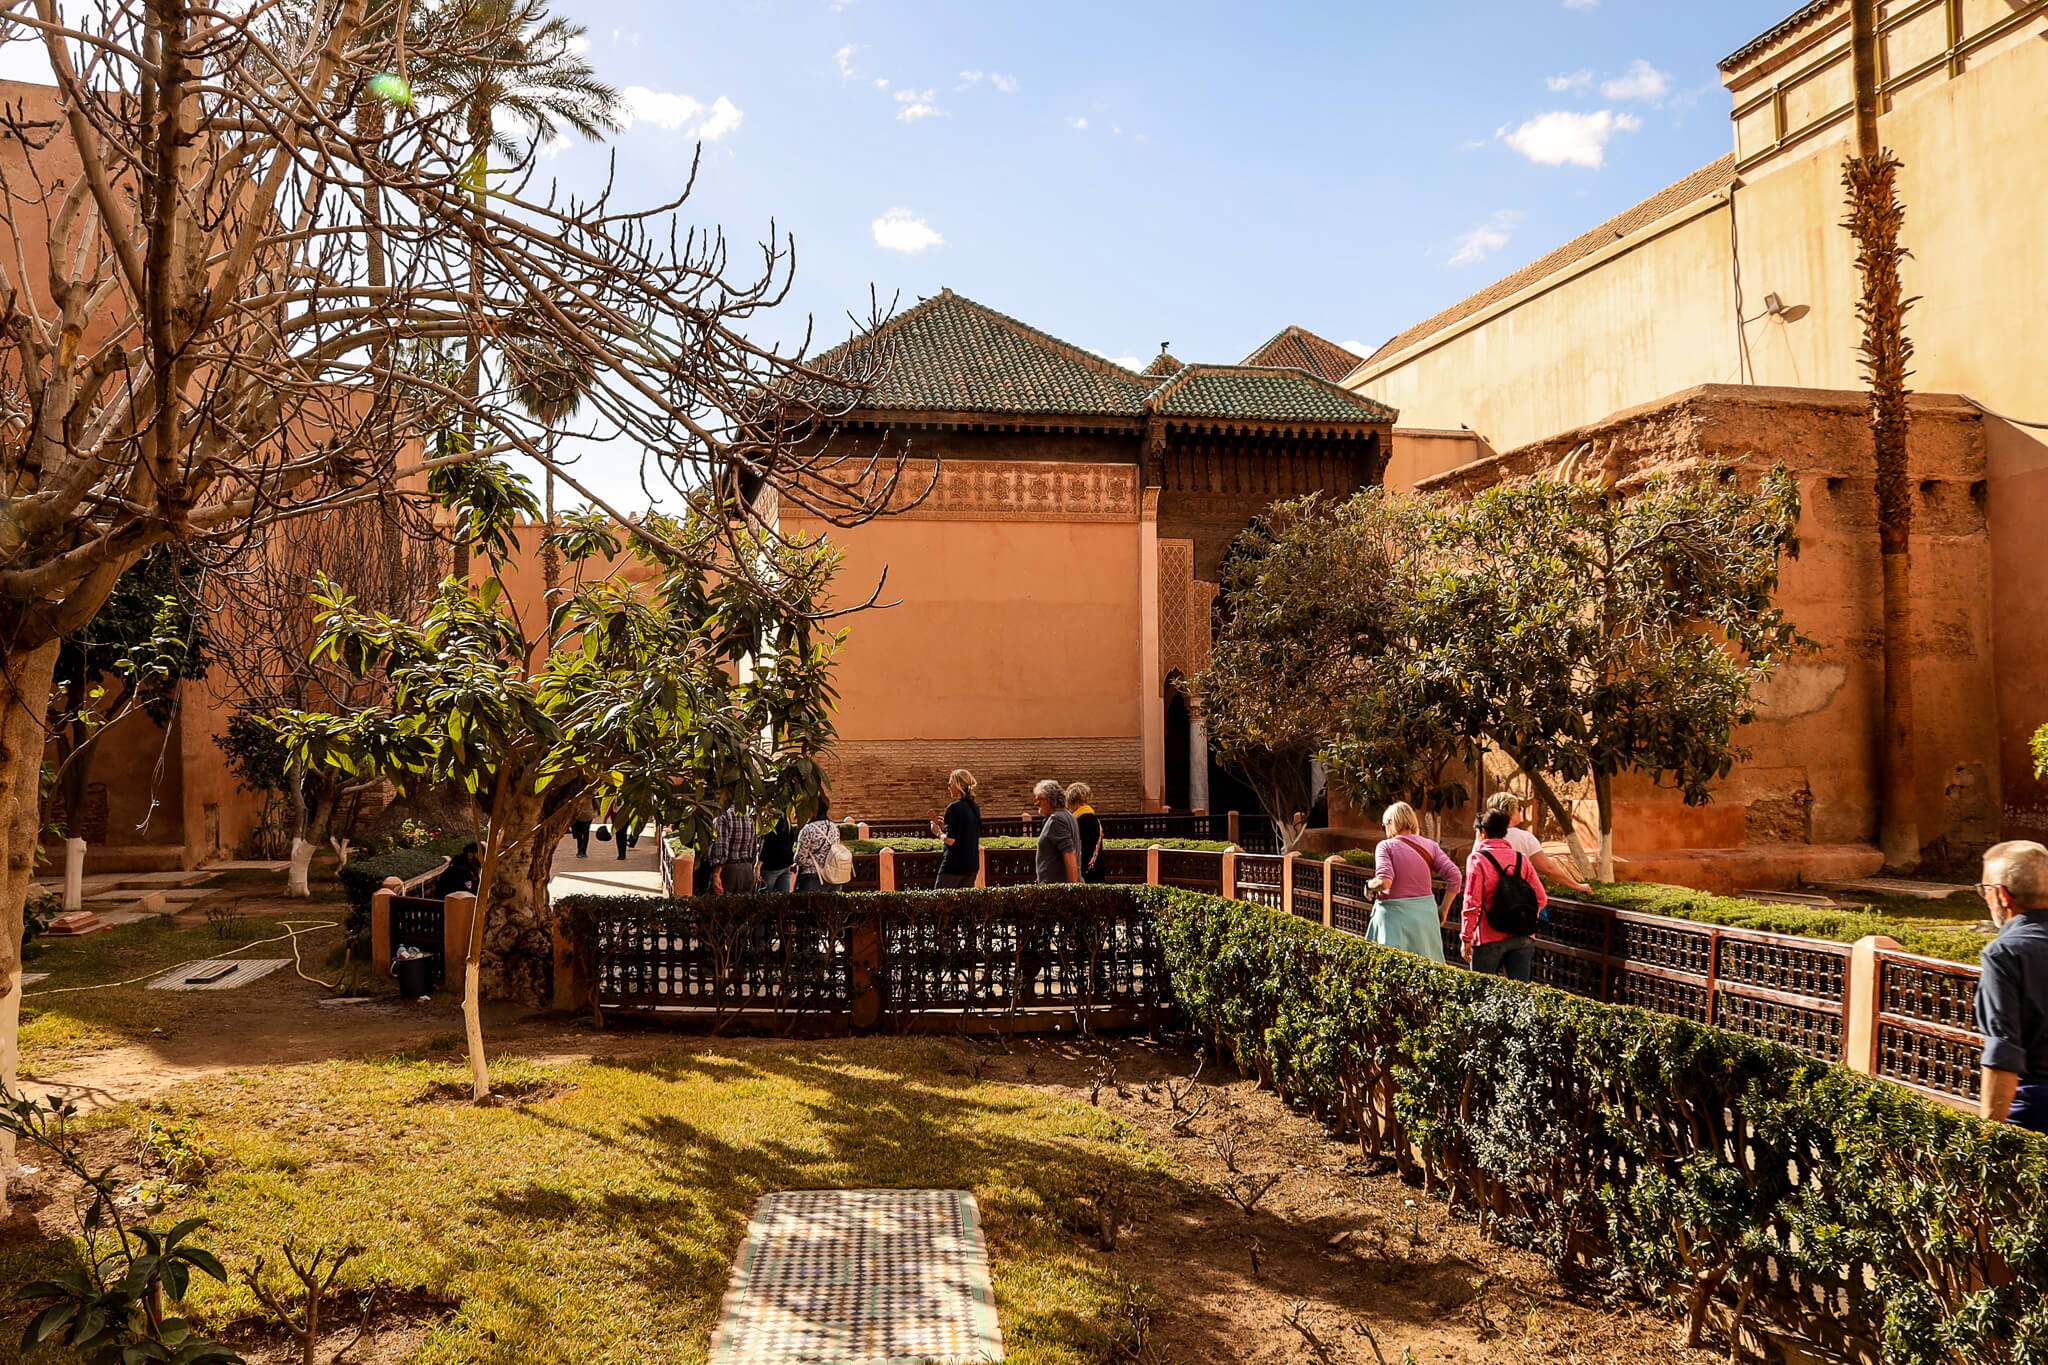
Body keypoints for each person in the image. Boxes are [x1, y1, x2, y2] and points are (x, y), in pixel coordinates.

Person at [1974, 840, 2048, 1132]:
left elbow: (2003, 1051)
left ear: (2001, 895)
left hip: (2034, 1108)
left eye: (1984, 891)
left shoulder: (2004, 953)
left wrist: (1987, 1140)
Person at [1365, 802, 1461, 964]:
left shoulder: (1386, 846)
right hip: (1425, 918)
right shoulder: (1431, 846)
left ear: (1391, 823)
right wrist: (1443, 909)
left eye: (1384, 825)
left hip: (1393, 919)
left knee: (1390, 971)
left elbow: (1385, 881)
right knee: (1428, 971)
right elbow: (1455, 876)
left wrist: (1368, 886)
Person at [1461, 808, 1548, 981]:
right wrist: (1523, 918)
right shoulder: (1521, 858)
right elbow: (1541, 898)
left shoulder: (1477, 859)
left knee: (1482, 995)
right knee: (1519, 998)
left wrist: (1466, 937)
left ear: (1483, 832)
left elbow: (1472, 901)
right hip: (1523, 936)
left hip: (1488, 937)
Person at [1484, 792, 1592, 895]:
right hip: (1517, 901)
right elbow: (1548, 869)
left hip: (1489, 898)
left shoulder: (1483, 837)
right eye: (1519, 809)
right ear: (1511, 813)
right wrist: (1577, 886)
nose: (1520, 812)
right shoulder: (1524, 838)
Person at [930, 769, 982, 889]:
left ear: (957, 785)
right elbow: (965, 833)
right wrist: (946, 826)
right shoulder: (974, 807)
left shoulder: (953, 808)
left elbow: (951, 840)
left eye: (949, 784)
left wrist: (937, 832)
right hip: (972, 865)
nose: (948, 788)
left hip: (954, 866)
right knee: (964, 905)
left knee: (939, 903)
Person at [1031, 779, 1081, 884]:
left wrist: (1072, 886)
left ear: (1048, 800)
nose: (1036, 804)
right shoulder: (1068, 815)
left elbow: (1069, 852)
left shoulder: (1056, 820)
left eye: (1038, 799)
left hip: (1057, 889)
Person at [708, 803, 761, 895]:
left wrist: (716, 874)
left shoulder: (723, 816)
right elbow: (753, 846)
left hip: (729, 870)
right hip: (747, 868)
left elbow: (721, 846)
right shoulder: (749, 814)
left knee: (720, 906)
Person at [793, 799, 843, 892]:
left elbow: (800, 859)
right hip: (832, 875)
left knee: (809, 906)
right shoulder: (834, 827)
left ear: (813, 810)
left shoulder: (808, 829)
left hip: (812, 877)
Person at [1066, 782, 1105, 883]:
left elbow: (1077, 849)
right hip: (1096, 870)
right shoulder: (1094, 818)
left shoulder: (1079, 820)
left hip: (1083, 874)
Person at [759, 817, 798, 894]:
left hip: (771, 866)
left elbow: (768, 842)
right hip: (786, 864)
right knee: (782, 900)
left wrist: (759, 863)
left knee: (764, 899)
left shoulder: (774, 818)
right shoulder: (786, 818)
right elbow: (791, 839)